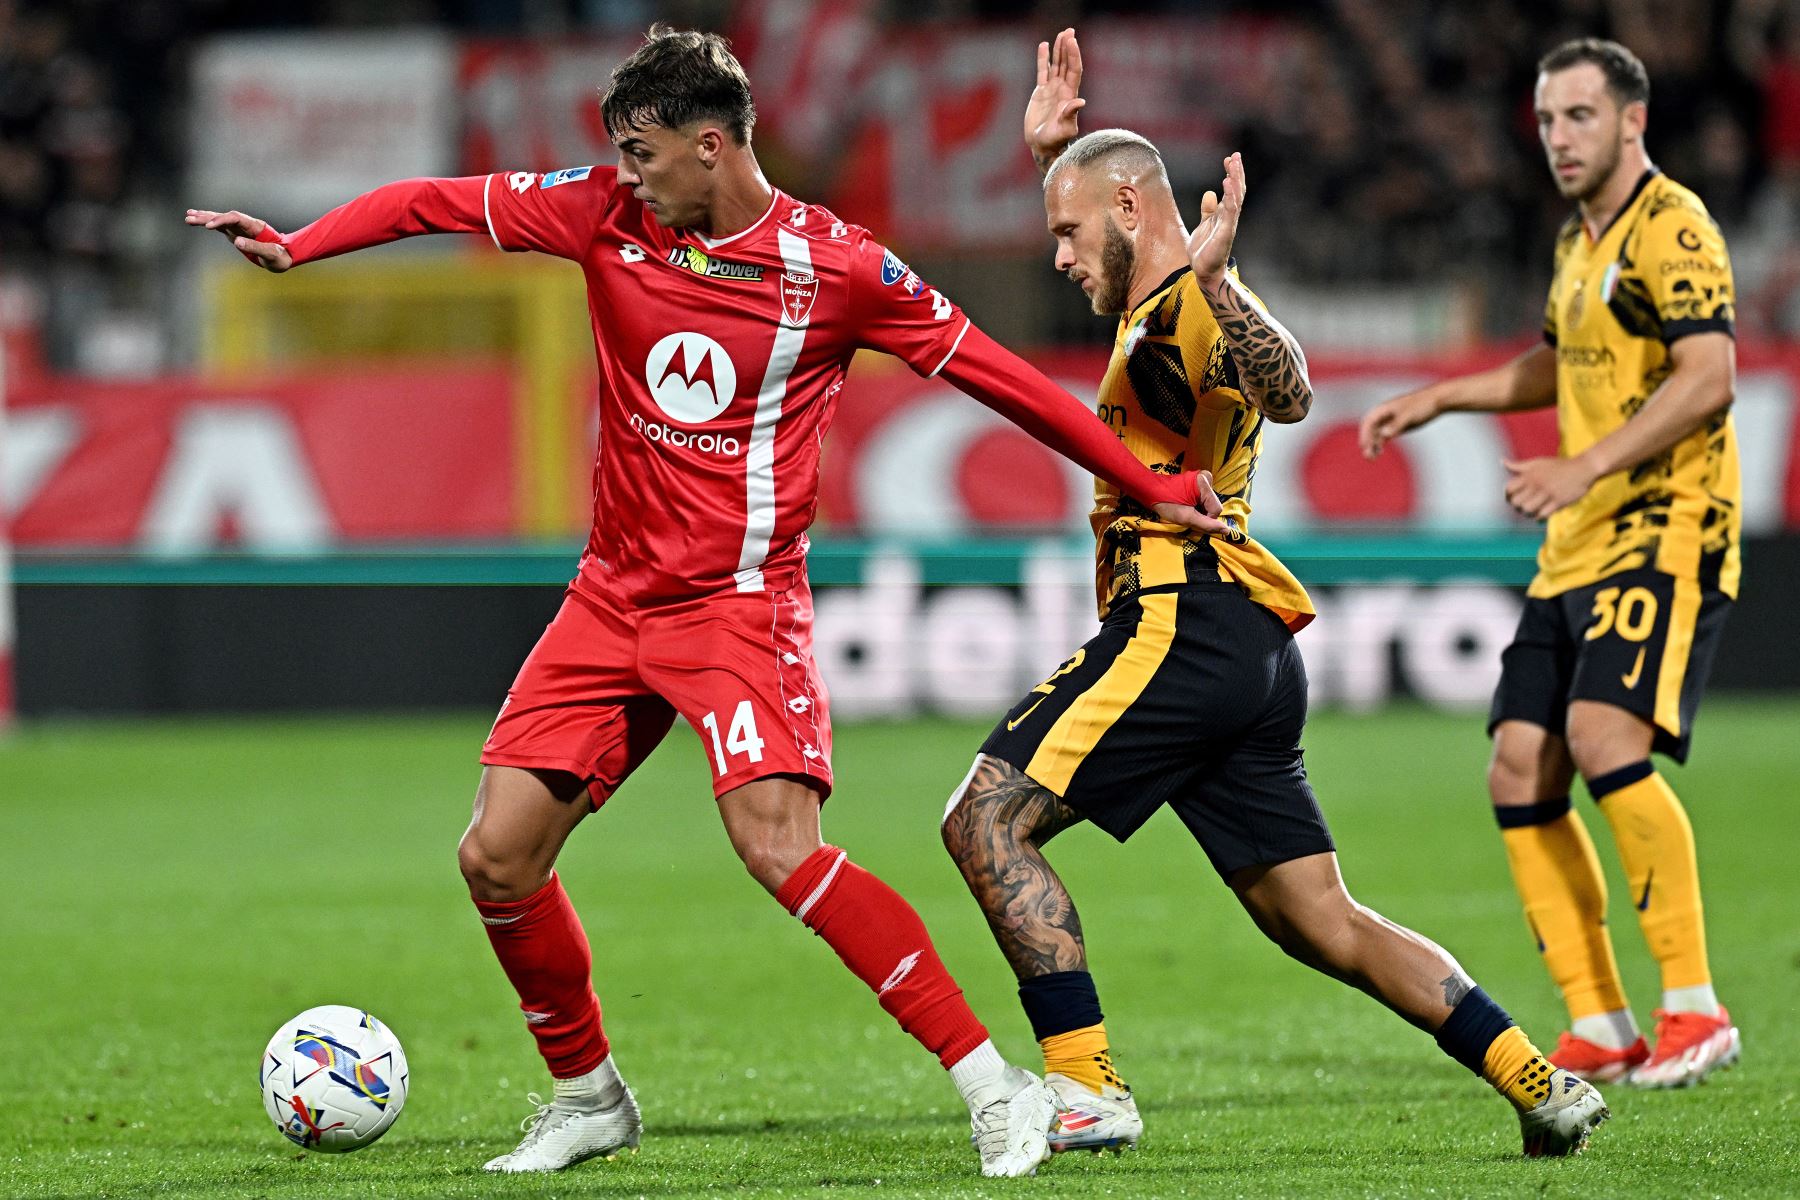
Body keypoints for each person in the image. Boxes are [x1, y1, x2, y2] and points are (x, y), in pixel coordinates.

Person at [188, 25, 1228, 1178]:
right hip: (608, 600)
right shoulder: (600, 215)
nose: (624, 174)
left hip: (737, 607)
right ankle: (589, 1098)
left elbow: (1004, 377)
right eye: (616, 155)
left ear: (712, 144)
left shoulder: (837, 269)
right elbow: (438, 200)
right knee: (498, 857)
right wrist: (303, 245)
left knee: (778, 848)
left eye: (640, 153)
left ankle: (998, 1088)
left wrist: (1155, 485)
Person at [939, 28, 1610, 1160]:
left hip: (1179, 623)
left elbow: (1287, 387)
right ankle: (1533, 1076)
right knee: (1320, 921)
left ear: (1132, 207)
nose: (1056, 255)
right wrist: (1057, 155)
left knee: (984, 820)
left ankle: (1085, 1084)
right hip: (1241, 646)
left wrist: (1211, 279)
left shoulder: (1197, 299)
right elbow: (1134, 276)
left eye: (1067, 229)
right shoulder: (1150, 301)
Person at [1360, 38, 1741, 1090]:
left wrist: (1587, 465)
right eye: (1546, 120)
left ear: (1633, 122)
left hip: (1663, 522)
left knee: (1601, 733)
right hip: (1578, 543)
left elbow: (1709, 373)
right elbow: (1559, 362)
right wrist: (1444, 395)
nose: (1560, 138)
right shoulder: (1580, 242)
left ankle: (1694, 1007)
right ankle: (1603, 1022)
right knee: (1518, 765)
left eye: (1580, 116)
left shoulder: (1674, 225)